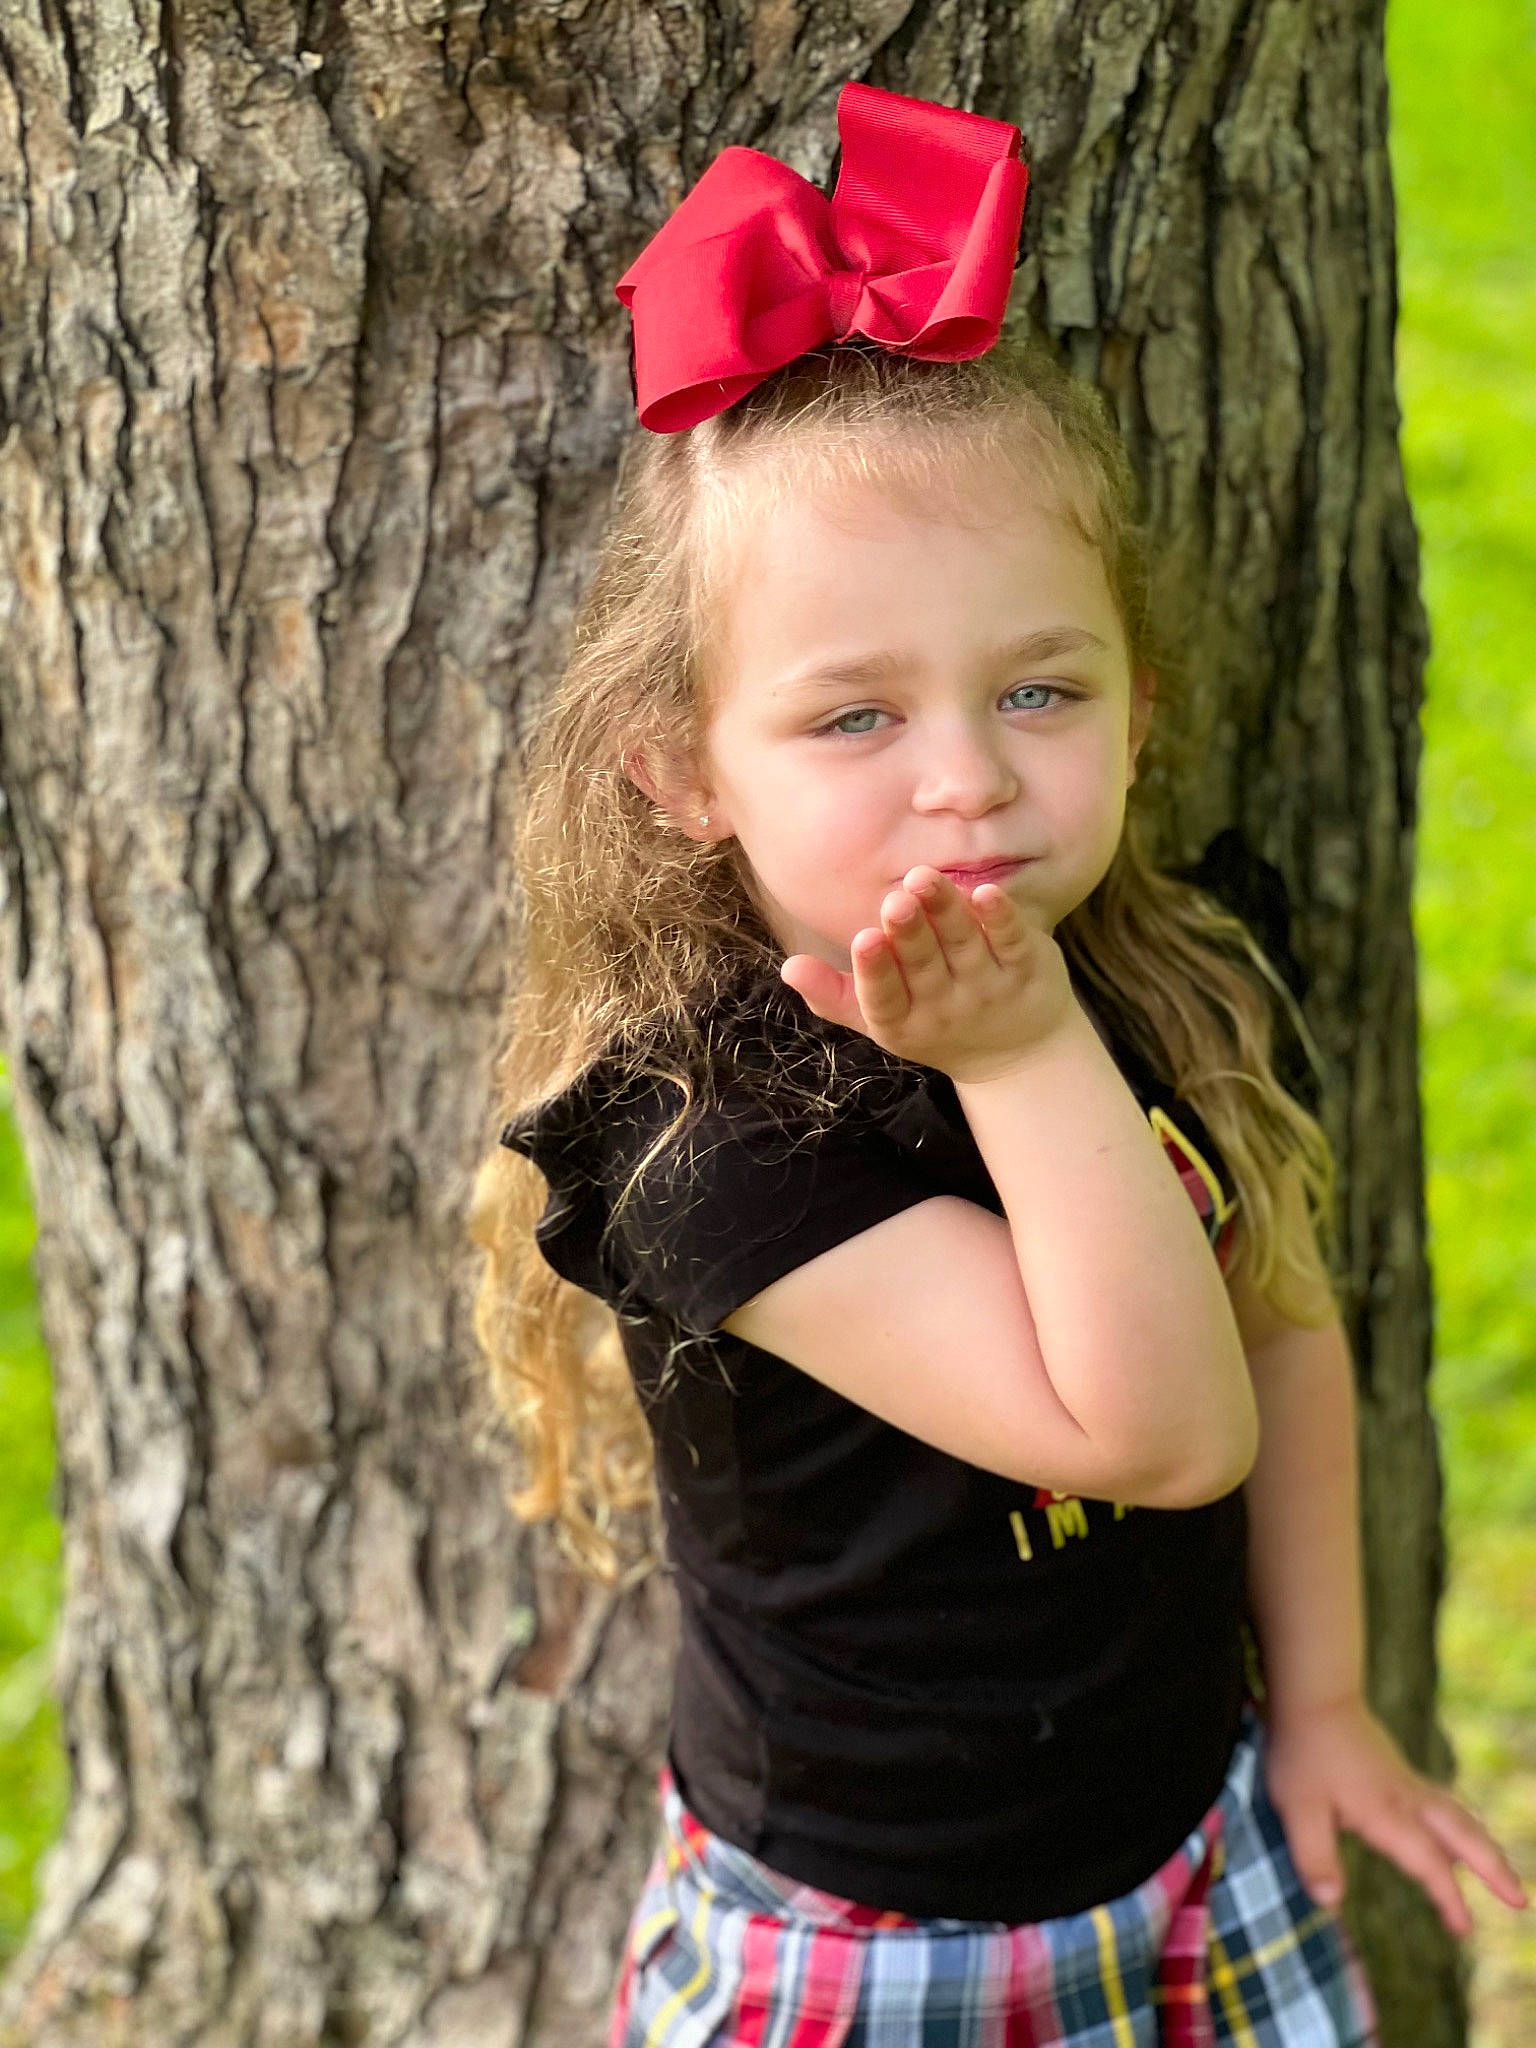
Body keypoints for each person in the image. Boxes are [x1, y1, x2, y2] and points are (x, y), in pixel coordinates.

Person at [470, 78, 1530, 2047]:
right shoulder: (722, 1138)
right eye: (853, 716)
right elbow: (1149, 1428)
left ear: (1141, 701)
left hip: (1183, 1837)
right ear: (685, 770)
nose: (966, 777)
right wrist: (1030, 1054)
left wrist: (1315, 1702)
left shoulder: (1169, 968)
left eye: (1038, 688)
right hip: (883, 1943)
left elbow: (1278, 1324)